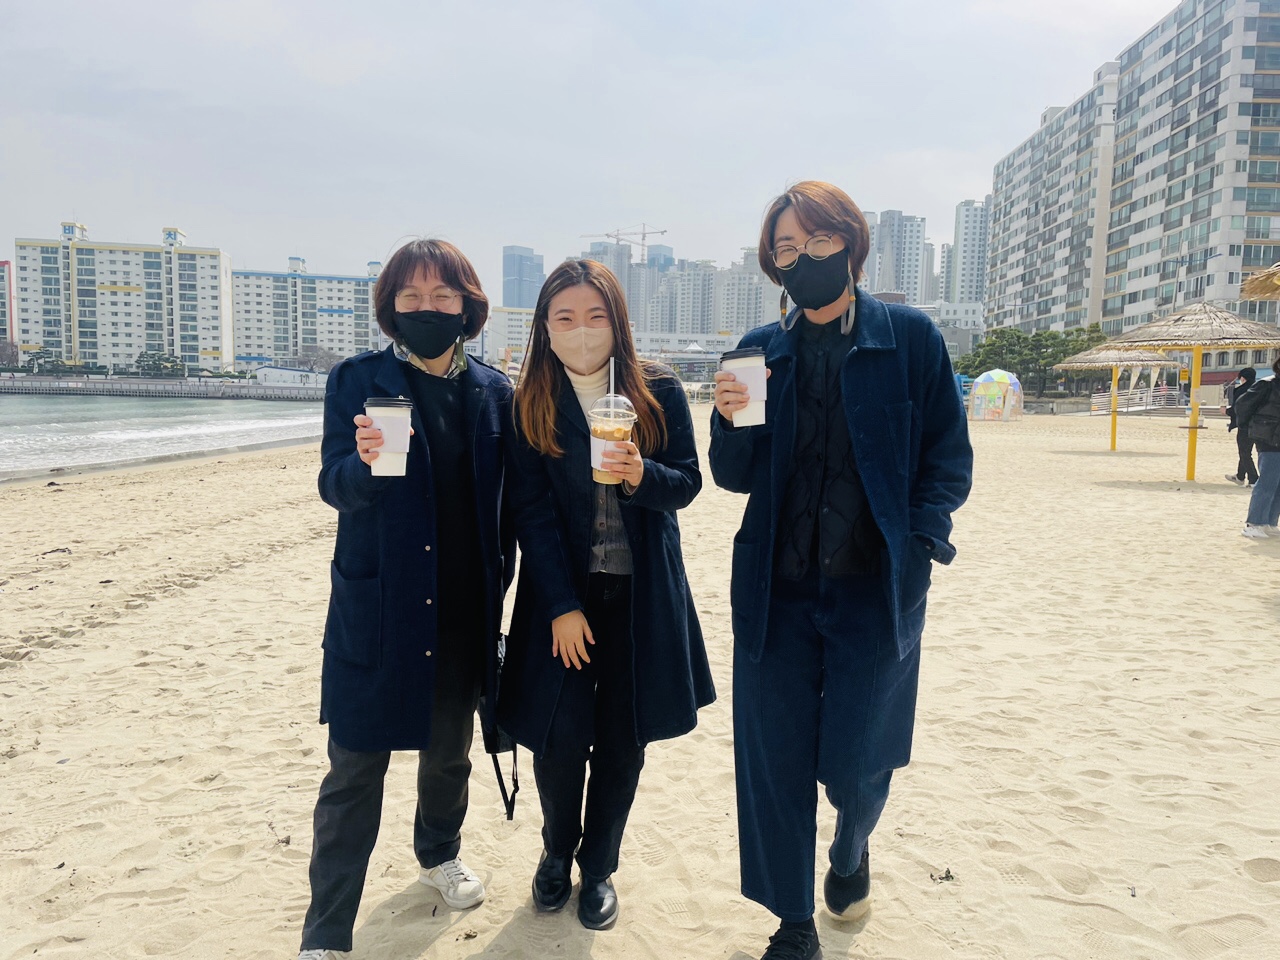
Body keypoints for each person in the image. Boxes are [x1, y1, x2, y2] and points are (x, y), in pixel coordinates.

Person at [710, 181, 973, 960]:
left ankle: (851, 849)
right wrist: (729, 420)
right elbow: (733, 475)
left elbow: (948, 460)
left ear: (851, 244)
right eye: (786, 249)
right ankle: (793, 923)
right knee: (776, 761)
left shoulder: (911, 339)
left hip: (876, 591)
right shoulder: (757, 350)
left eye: (818, 240)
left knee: (860, 763)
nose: (804, 258)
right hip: (777, 593)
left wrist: (921, 542)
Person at [298, 239, 576, 960]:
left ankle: (438, 853)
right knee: (354, 770)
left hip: (464, 609)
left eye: (442, 296)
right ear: (391, 307)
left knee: (450, 753)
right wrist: (363, 466)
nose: (427, 308)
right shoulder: (356, 380)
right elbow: (333, 486)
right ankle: (325, 932)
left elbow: (522, 504)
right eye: (412, 297)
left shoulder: (494, 392)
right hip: (379, 606)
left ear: (467, 306)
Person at [498, 259, 714, 931]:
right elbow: (530, 511)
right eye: (565, 317)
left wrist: (641, 475)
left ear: (617, 321)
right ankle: (556, 851)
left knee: (624, 740)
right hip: (563, 598)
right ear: (545, 327)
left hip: (640, 595)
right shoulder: (530, 399)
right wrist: (561, 606)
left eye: (596, 316)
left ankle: (598, 868)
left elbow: (687, 482)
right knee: (559, 738)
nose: (582, 330)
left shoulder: (658, 390)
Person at [1235, 357, 1280, 539]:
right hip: (1269, 439)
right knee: (1268, 481)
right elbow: (1242, 406)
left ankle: (1269, 521)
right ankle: (1254, 523)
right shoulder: (1267, 384)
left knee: (1278, 484)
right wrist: (1251, 428)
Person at [1225, 367, 1259, 487]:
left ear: (1243, 378)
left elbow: (1239, 408)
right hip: (1258, 425)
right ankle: (1240, 476)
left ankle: (1254, 479)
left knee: (1244, 452)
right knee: (1245, 451)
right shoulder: (1258, 389)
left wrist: (1226, 411)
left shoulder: (1243, 390)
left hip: (1245, 425)